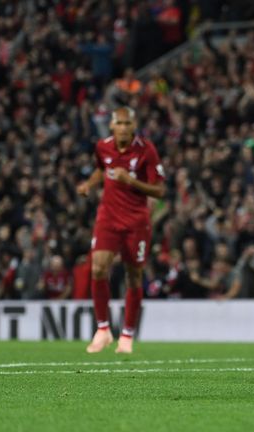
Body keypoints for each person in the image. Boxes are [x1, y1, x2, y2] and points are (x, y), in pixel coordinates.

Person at [77, 106, 166, 354]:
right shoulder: (102, 147)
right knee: (97, 268)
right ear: (112, 126)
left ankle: (126, 335)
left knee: (134, 276)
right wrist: (89, 184)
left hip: (136, 221)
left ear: (134, 126)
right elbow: (101, 169)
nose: (124, 128)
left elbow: (159, 191)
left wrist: (131, 181)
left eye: (128, 124)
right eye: (120, 124)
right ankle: (103, 330)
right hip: (108, 217)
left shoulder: (146, 150)